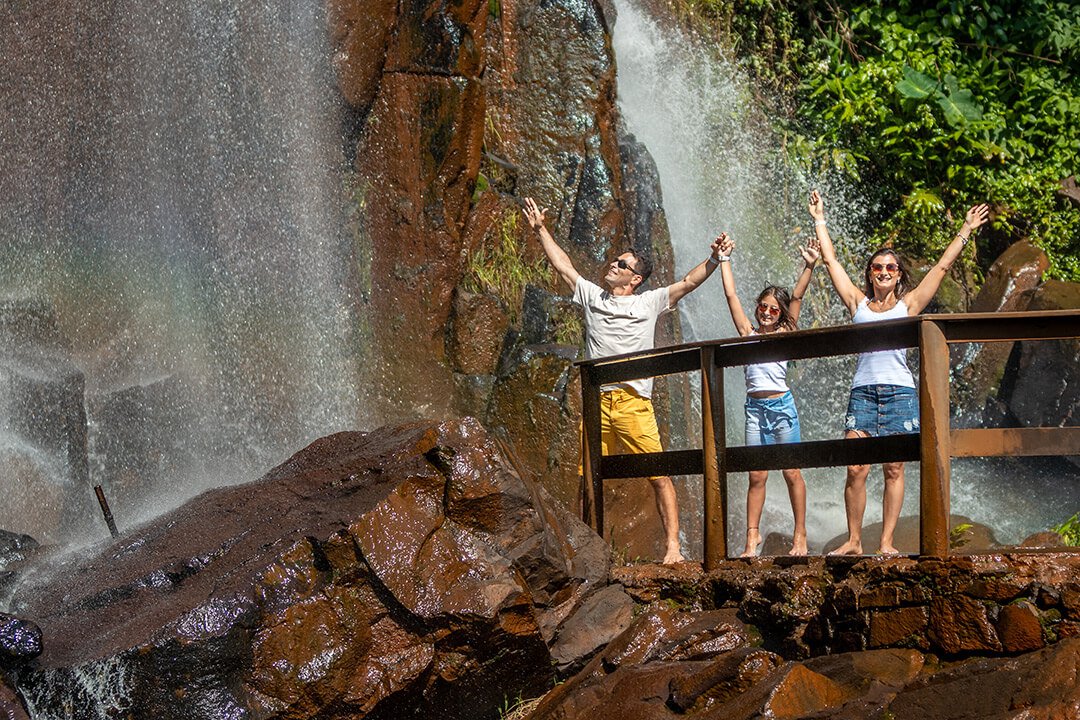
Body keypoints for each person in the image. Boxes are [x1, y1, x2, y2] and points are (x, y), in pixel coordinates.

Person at [523, 196, 724, 565]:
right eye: (615, 261)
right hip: (598, 400)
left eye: (622, 264)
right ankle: (583, 548)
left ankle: (673, 548)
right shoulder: (592, 295)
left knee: (659, 474)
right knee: (588, 477)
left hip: (633, 400)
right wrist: (541, 230)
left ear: (635, 279)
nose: (612, 265)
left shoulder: (649, 302)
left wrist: (714, 259)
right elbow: (563, 265)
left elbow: (687, 283)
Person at [808, 189, 989, 555]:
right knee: (856, 468)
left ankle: (887, 542)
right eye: (878, 268)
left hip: (900, 393)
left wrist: (966, 229)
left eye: (890, 267)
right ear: (870, 274)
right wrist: (819, 218)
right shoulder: (857, 303)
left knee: (894, 468)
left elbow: (941, 268)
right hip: (863, 391)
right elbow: (830, 263)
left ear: (899, 275)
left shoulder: (909, 305)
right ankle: (855, 541)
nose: (884, 272)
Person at [715, 232, 820, 557]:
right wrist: (724, 260)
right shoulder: (747, 333)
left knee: (791, 471)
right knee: (756, 474)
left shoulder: (787, 333)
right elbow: (731, 295)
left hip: (781, 406)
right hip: (754, 410)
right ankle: (751, 539)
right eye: (763, 307)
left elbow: (798, 297)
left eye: (774, 310)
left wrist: (809, 267)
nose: (767, 313)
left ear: (781, 314)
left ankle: (799, 536)